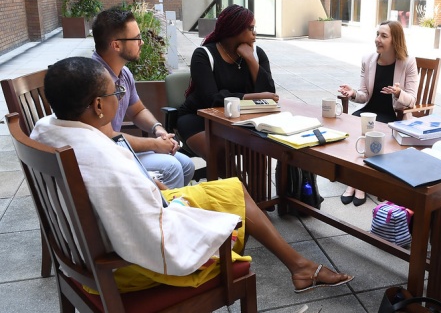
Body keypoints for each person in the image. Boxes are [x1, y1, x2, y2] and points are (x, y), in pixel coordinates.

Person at [32, 57, 353, 294]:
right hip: (123, 268)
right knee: (229, 209)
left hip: (90, 249)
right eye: (115, 91)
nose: (120, 95)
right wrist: (188, 214)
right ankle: (300, 267)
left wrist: (147, 189)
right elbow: (154, 238)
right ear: (98, 106)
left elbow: (123, 201)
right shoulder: (101, 159)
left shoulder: (49, 130)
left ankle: (299, 267)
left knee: (234, 189)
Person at [91, 8, 194, 189]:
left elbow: (137, 110)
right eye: (137, 38)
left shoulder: (124, 73)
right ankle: (163, 213)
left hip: (118, 147)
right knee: (172, 168)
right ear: (116, 45)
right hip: (105, 156)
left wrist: (158, 130)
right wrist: (154, 144)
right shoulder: (94, 79)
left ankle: (172, 205)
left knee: (186, 165)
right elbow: (107, 136)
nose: (142, 42)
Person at [177, 4, 279, 162]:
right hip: (199, 119)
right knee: (221, 156)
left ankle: (249, 187)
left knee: (261, 150)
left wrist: (250, 59)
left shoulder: (257, 54)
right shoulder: (204, 55)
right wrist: (251, 96)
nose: (255, 33)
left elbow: (270, 94)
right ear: (235, 29)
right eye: (250, 28)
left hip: (242, 121)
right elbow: (211, 99)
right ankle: (238, 187)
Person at [337, 20, 418, 206]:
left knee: (371, 132)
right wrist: (353, 94)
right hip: (369, 111)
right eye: (377, 34)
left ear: (395, 40)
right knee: (353, 126)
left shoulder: (407, 62)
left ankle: (357, 183)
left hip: (392, 115)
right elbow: (364, 95)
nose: (377, 39)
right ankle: (356, 182)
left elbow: (412, 99)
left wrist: (398, 93)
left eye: (383, 36)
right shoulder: (368, 59)